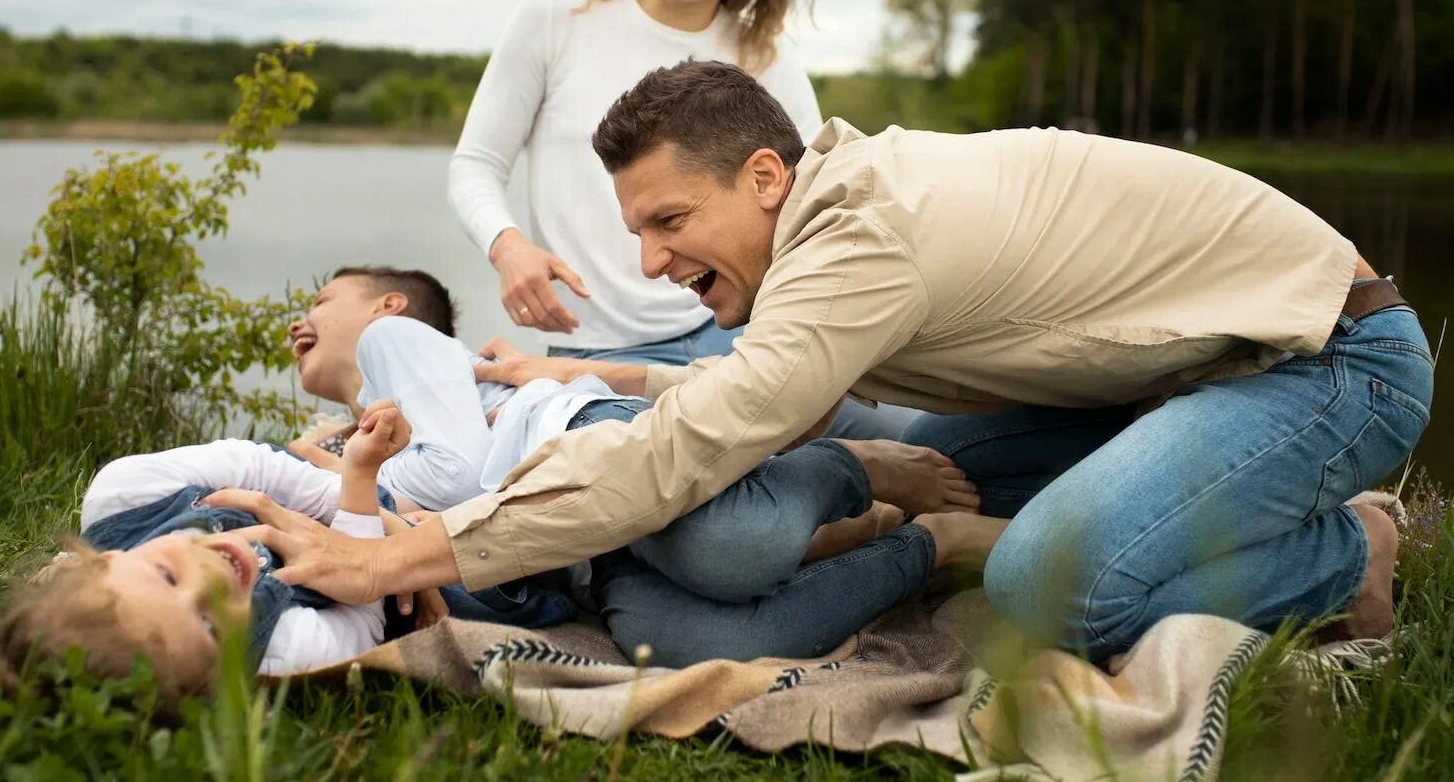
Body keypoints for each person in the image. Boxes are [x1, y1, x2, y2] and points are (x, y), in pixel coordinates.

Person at [258, 59, 1434, 665]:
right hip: (1186, 379)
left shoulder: (863, 236)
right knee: (919, 453)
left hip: (1329, 365)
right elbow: (753, 390)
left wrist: (404, 554)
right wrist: (607, 380)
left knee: (1039, 588)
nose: (653, 260)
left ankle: (1347, 550)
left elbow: (703, 441)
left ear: (765, 177)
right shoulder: (831, 216)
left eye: (670, 222)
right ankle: (1236, 506)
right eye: (637, 233)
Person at [270, 266, 996, 666]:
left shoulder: (391, 342)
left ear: (386, 306)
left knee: (732, 549)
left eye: (323, 298)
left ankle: (847, 468)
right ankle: (929, 545)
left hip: (588, 452)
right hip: (573, 558)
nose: (302, 318)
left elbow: (458, 478)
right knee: (711, 646)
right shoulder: (341, 440)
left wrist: (365, 490)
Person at [446, 0, 907, 439]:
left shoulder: (767, 56)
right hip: (595, 355)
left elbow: (816, 196)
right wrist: (509, 247)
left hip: (746, 337)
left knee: (907, 433)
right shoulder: (556, 15)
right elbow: (476, 164)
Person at [0, 404, 418, 708]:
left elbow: (254, 465)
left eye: (167, 577)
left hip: (293, 487)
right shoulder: (279, 653)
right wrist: (362, 490)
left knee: (396, 502)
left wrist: (355, 503)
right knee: (444, 562)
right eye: (209, 625)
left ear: (99, 561)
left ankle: (323, 456)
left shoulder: (123, 495)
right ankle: (353, 468)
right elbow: (361, 624)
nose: (212, 581)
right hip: (363, 546)